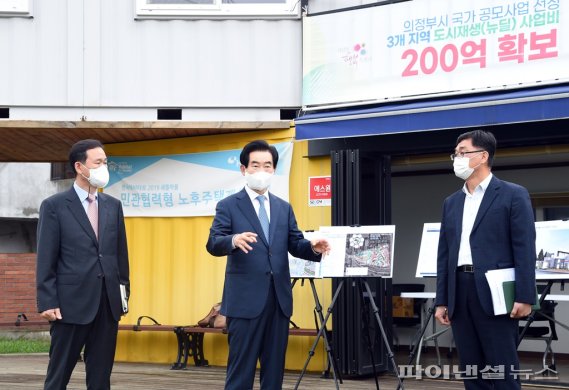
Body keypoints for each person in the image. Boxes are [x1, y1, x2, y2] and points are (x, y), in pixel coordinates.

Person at [206, 140, 330, 390]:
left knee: (274, 373)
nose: (261, 170)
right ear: (243, 169)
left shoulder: (283, 208)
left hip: (278, 302)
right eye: (255, 165)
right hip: (244, 303)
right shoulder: (229, 205)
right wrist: (233, 240)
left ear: (274, 170)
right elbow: (213, 243)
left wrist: (312, 248)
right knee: (241, 372)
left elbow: (294, 243)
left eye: (267, 165)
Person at [434, 130, 536, 389]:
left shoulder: (513, 194)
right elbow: (444, 254)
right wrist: (442, 300)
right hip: (460, 290)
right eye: (455, 154)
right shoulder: (451, 202)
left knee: (502, 368)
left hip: (496, 291)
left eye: (462, 152)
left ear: (482, 156)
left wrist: (525, 296)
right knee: (471, 370)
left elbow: (524, 248)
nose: (456, 158)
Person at [36, 139, 130, 390]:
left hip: (107, 305)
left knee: (100, 378)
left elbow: (120, 256)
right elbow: (46, 257)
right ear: (79, 166)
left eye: (105, 162)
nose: (103, 167)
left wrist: (123, 296)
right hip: (69, 305)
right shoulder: (54, 206)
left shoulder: (113, 206)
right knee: (58, 375)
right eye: (98, 162)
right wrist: (47, 301)